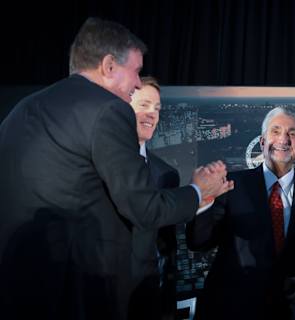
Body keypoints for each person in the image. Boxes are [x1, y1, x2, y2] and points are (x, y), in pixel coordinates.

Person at [0, 17, 232, 320]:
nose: (137, 83)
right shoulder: (109, 109)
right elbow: (144, 209)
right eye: (135, 71)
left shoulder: (21, 110)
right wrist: (200, 190)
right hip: (79, 292)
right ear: (109, 66)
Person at [186, 107, 295, 320]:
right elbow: (198, 242)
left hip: (293, 313)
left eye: (292, 133)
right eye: (275, 131)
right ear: (262, 142)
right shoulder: (230, 185)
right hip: (233, 311)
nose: (283, 139)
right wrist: (204, 201)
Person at [127, 76, 179, 320]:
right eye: (144, 105)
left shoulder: (166, 174)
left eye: (157, 108)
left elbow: (166, 250)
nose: (152, 114)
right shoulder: (90, 163)